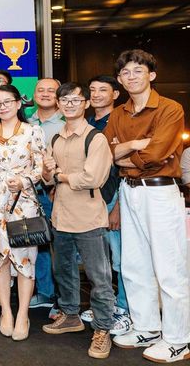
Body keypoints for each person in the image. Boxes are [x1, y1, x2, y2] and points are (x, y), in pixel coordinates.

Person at [104, 49, 190, 363]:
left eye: (138, 71)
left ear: (151, 75)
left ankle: (178, 339)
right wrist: (132, 147)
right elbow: (105, 151)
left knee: (170, 268)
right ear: (119, 79)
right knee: (134, 265)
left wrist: (124, 155)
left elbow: (156, 154)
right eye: (125, 72)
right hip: (128, 192)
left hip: (160, 191)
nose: (131, 77)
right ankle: (147, 328)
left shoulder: (170, 108)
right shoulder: (118, 113)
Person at [40, 82, 115, 359]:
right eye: (65, 100)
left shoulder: (95, 138)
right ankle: (71, 315)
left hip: (89, 219)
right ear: (58, 105)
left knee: (99, 278)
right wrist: (48, 172)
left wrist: (59, 175)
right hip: (61, 217)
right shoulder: (56, 139)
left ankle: (103, 329)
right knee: (64, 272)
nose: (69, 104)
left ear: (86, 104)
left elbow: (92, 178)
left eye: (75, 99)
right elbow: (46, 178)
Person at [0, 84, 45, 341]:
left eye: (7, 102)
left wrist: (24, 181)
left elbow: (40, 168)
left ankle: (23, 314)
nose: (2, 107)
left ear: (18, 103)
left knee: (24, 259)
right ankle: (6, 311)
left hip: (22, 204)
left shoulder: (32, 131)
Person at [81, 75, 132, 336]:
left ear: (115, 94)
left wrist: (119, 207)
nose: (96, 94)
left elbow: (125, 167)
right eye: (92, 90)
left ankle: (124, 308)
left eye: (103, 90)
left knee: (120, 260)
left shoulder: (120, 121)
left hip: (112, 197)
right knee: (98, 260)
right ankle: (106, 305)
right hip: (90, 199)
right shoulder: (88, 123)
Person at [27, 77, 64, 314]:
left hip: (57, 192)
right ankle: (45, 293)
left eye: (51, 90)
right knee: (38, 244)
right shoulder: (25, 122)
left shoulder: (65, 123)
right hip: (32, 192)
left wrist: (57, 187)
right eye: (41, 90)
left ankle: (64, 300)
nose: (45, 94)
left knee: (61, 247)